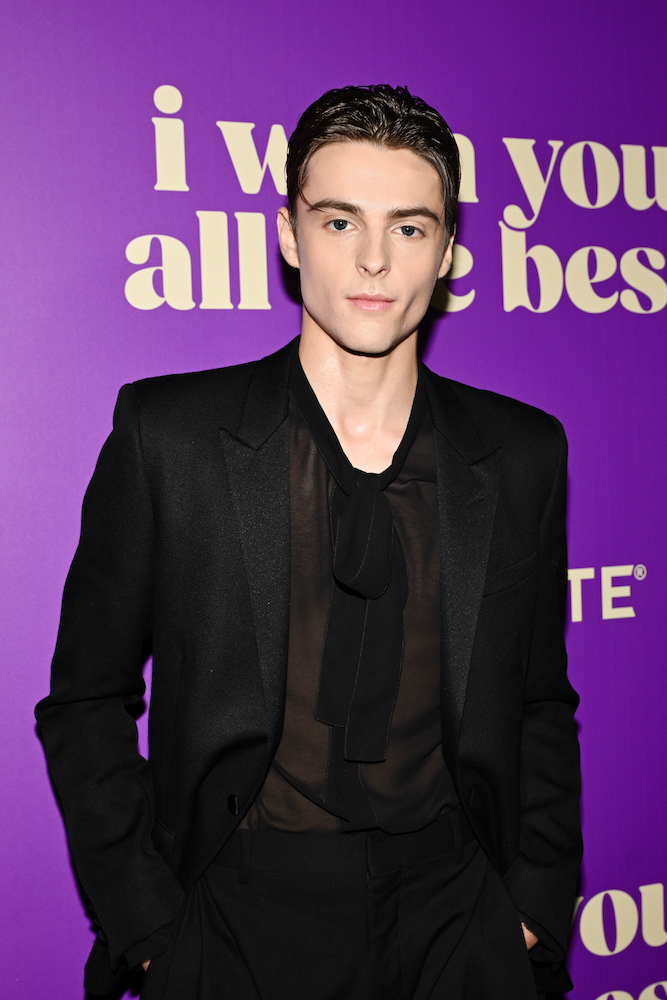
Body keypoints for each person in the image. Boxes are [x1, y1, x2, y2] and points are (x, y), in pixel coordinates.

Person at [36, 85, 581, 999]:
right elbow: (85, 700)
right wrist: (152, 929)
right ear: (289, 236)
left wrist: (531, 904)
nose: (373, 259)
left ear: (448, 250)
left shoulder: (522, 451)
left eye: (409, 227)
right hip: (238, 917)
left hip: (459, 914)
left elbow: (537, 699)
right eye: (338, 222)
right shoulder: (171, 436)